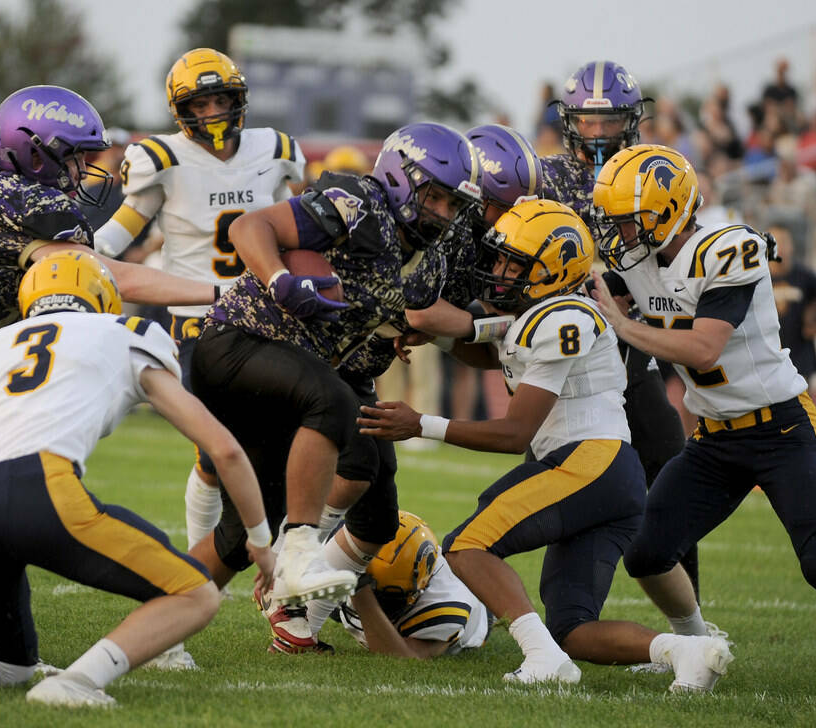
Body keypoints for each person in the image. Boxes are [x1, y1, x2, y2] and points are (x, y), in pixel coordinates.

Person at [590, 144, 816, 691]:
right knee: (648, 553)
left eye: (628, 220)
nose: (619, 233)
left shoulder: (728, 248)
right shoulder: (638, 264)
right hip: (713, 441)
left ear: (667, 211)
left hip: (782, 429)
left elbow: (704, 350)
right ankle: (698, 650)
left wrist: (623, 324)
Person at [360, 199, 733, 691]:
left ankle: (540, 658)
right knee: (573, 630)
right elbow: (491, 346)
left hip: (589, 464)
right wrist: (437, 336)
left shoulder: (564, 319)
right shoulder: (546, 313)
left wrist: (420, 423)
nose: (497, 270)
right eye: (498, 258)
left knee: (467, 546)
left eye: (512, 262)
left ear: (553, 268)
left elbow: (514, 434)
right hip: (608, 478)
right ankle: (685, 651)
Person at [0, 251, 275, 707]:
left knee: (6, 664)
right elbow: (225, 449)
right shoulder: (128, 332)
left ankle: (47, 676)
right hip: (42, 488)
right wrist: (259, 540)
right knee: (196, 593)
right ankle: (76, 682)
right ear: (102, 294)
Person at [256, 124, 533, 656]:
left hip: (358, 361)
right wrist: (490, 327)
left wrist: (480, 332)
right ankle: (287, 569)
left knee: (377, 508)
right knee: (355, 462)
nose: (502, 223)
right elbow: (422, 310)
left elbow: (442, 329)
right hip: (311, 352)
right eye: (500, 207)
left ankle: (296, 613)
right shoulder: (390, 214)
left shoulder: (454, 236)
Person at [188, 122, 482, 611]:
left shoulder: (430, 261)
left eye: (454, 204)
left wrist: (409, 333)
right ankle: (299, 554)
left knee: (241, 535)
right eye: (435, 196)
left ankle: (160, 618)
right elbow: (249, 227)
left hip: (291, 376)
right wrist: (281, 279)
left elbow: (407, 315)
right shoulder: (359, 203)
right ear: (401, 176)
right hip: (238, 344)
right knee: (334, 400)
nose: (442, 213)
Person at [92, 49, 306, 555]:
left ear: (239, 99)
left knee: (286, 439)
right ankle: (200, 560)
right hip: (199, 324)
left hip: (269, 317)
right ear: (181, 110)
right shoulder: (160, 160)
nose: (212, 112)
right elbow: (113, 240)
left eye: (221, 99)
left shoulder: (276, 150)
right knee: (213, 454)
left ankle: (291, 548)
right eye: (201, 102)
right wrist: (72, 258)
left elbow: (303, 229)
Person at [0, 85, 221, 434]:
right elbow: (108, 275)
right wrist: (220, 292)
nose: (83, 170)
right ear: (37, 156)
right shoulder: (34, 204)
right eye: (76, 157)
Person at [540, 61, 697, 597]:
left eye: (609, 121)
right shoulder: (549, 177)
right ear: (570, 122)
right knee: (552, 476)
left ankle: (691, 614)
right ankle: (545, 609)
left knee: (672, 464)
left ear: (632, 121)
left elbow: (679, 242)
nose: (599, 132)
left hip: (630, 344)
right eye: (588, 121)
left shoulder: (652, 170)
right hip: (567, 353)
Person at [321, 511, 489, 658]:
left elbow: (405, 655)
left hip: (476, 613)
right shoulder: (345, 541)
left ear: (421, 585)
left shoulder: (448, 605)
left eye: (386, 596)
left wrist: (360, 592)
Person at [768, 226, 816, 384]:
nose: (779, 247)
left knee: (802, 405)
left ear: (792, 246)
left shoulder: (803, 275)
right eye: (774, 242)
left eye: (783, 242)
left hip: (800, 354)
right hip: (768, 355)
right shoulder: (757, 277)